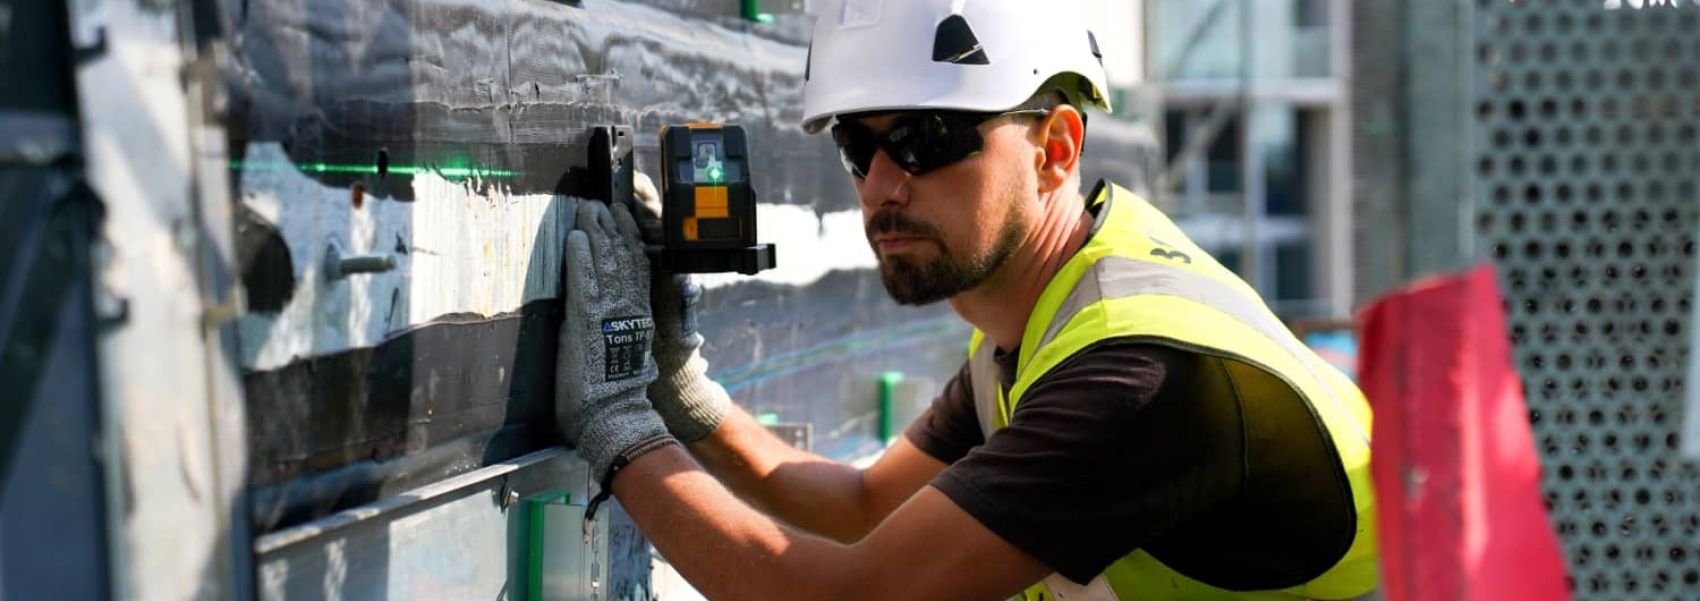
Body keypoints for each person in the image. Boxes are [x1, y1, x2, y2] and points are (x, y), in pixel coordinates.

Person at [553, 1, 1380, 599]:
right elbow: (861, 505)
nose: (880, 184)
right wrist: (678, 385)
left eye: (926, 139)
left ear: (1055, 149)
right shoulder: (1044, 318)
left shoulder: (1139, 378)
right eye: (858, 145)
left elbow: (849, 595)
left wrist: (619, 426)